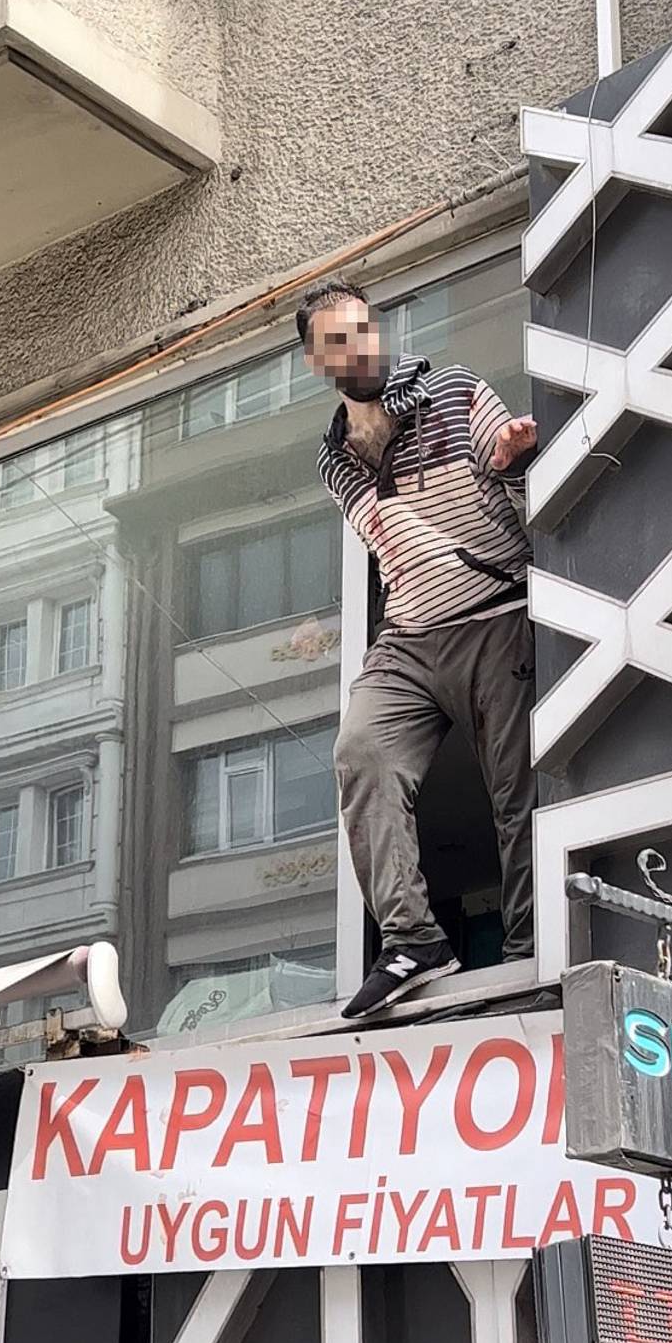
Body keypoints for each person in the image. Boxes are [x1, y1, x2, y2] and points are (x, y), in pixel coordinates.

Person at [297, 278, 538, 1018]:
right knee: (359, 750)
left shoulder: (455, 391)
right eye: (338, 340)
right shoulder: (333, 459)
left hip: (497, 612)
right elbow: (394, 547)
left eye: (364, 330)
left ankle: (531, 951)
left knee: (514, 789)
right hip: (410, 633)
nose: (359, 346)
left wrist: (510, 464)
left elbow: (527, 491)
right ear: (316, 362)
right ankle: (414, 941)